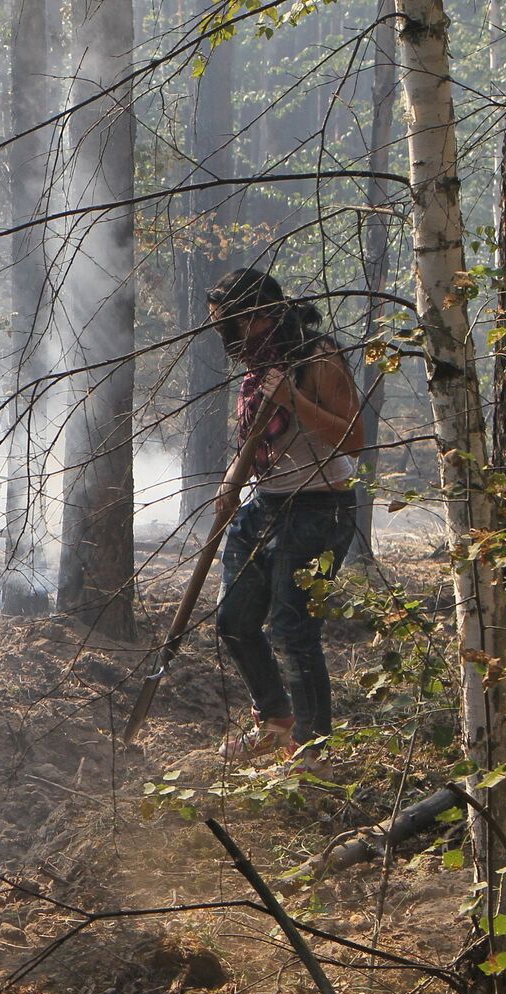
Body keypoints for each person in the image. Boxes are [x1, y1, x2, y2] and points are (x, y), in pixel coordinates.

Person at [206, 268, 365, 763]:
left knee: (294, 629)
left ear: (261, 316)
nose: (227, 336)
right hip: (268, 501)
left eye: (232, 323)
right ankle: (275, 722)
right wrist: (233, 479)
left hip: (321, 504)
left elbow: (354, 439)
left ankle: (313, 750)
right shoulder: (260, 368)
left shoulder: (317, 358)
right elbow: (253, 438)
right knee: (234, 618)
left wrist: (293, 400)